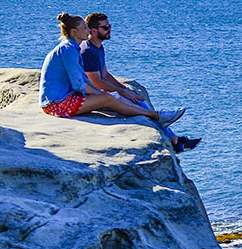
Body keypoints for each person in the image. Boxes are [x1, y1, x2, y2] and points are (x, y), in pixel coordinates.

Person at [38, 14, 185, 138]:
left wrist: (108, 93)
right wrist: (104, 95)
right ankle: (156, 116)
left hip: (65, 98)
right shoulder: (68, 50)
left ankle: (156, 116)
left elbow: (84, 79)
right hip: (55, 104)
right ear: (74, 31)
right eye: (84, 28)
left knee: (112, 97)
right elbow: (79, 84)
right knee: (110, 98)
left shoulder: (73, 48)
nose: (88, 30)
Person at [81, 11, 200, 152]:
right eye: (105, 27)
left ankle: (175, 140)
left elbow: (105, 74)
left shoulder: (98, 48)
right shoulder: (88, 51)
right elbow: (96, 81)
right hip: (93, 96)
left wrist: (125, 90)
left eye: (109, 26)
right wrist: (122, 93)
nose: (109, 29)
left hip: (100, 93)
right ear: (94, 31)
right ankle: (175, 140)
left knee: (138, 101)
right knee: (138, 106)